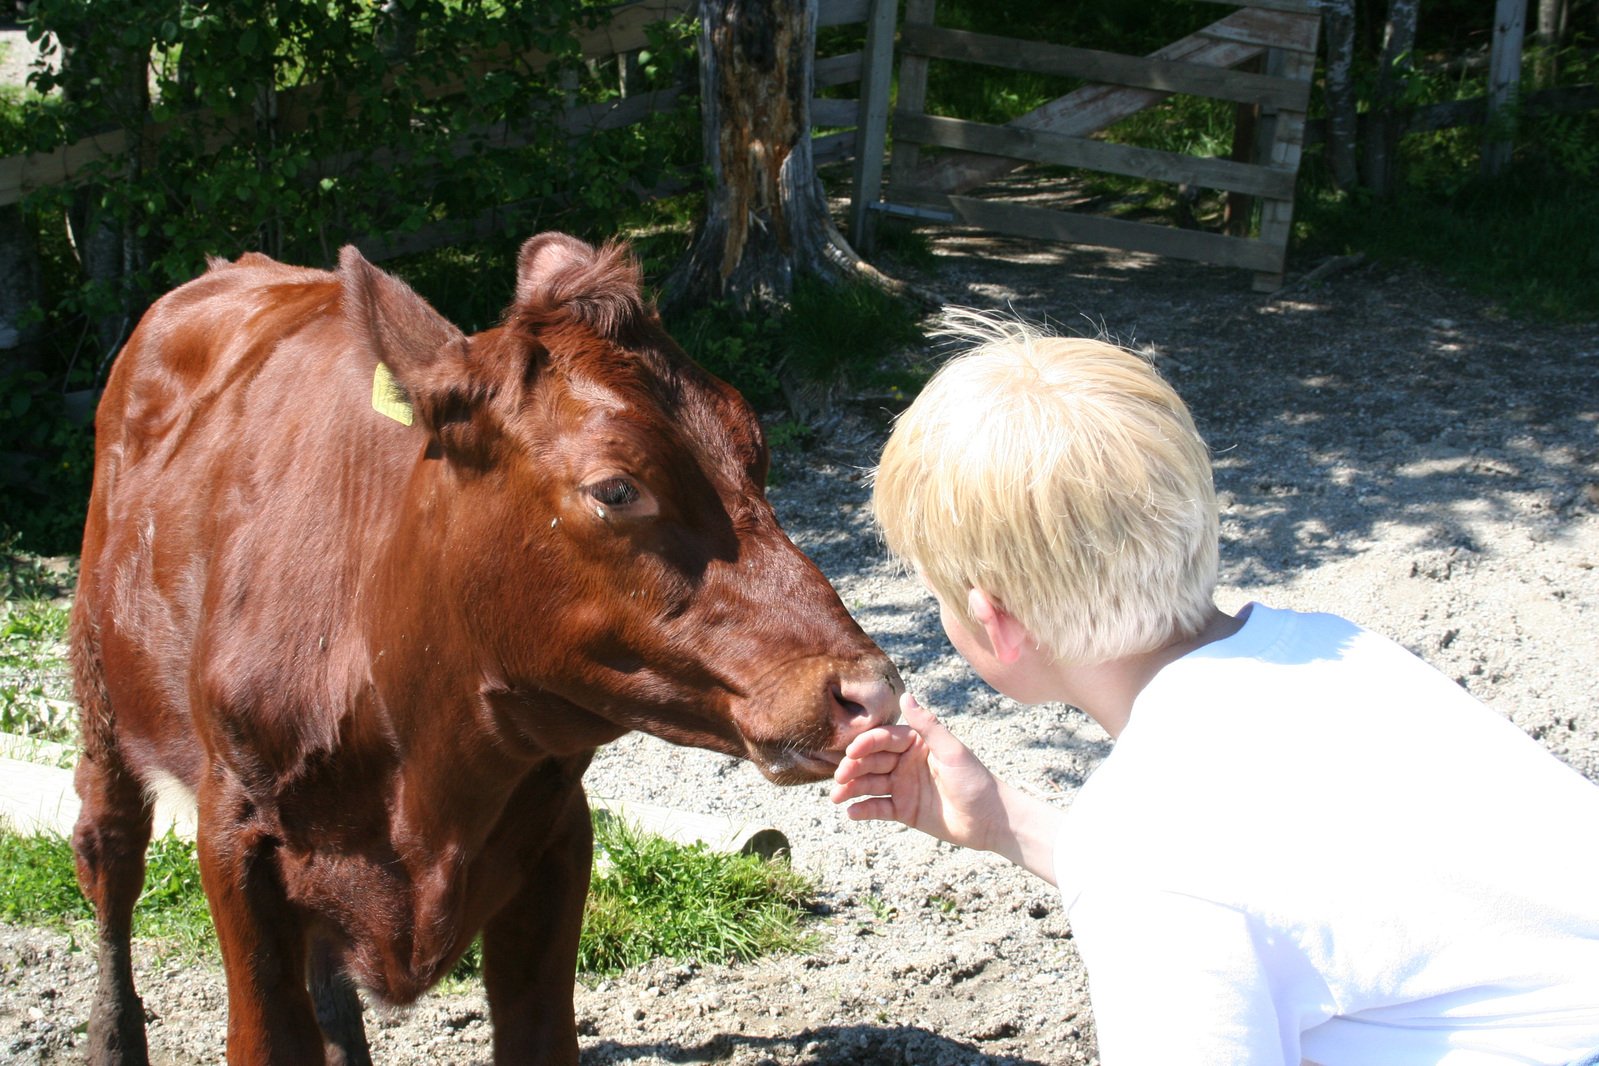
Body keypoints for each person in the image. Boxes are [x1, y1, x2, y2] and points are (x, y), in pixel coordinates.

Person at [831, 308, 1599, 1066]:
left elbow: (1176, 873)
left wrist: (1105, 854)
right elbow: (1260, 891)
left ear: (993, 621)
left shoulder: (1146, 843)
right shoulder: (1339, 655)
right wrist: (1004, 822)